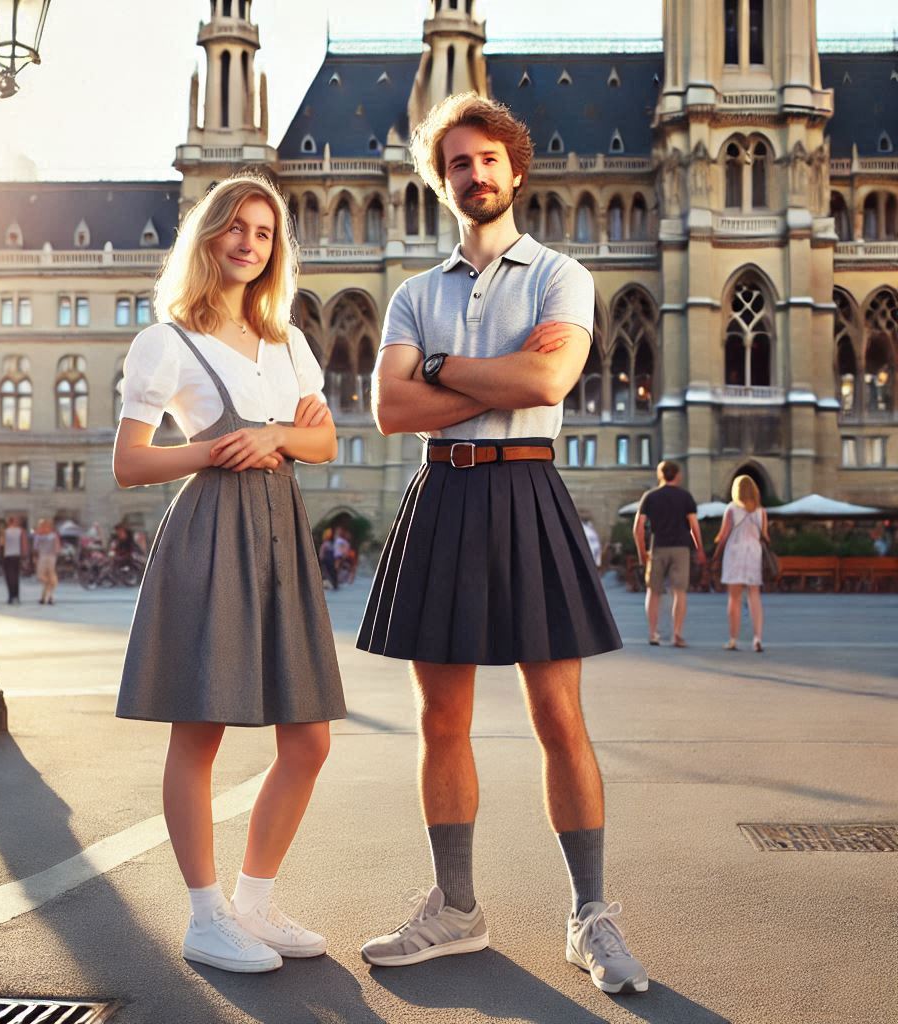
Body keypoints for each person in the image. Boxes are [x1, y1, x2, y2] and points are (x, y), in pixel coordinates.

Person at [356, 94, 646, 995]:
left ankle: (591, 915)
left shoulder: (561, 275)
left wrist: (437, 368)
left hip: (527, 486)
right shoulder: (412, 291)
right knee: (440, 718)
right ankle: (456, 910)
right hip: (442, 490)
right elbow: (389, 410)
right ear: (441, 183)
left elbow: (549, 374)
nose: (473, 175)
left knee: (559, 716)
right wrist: (485, 380)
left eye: (487, 160)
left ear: (515, 170)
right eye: (456, 164)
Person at [113, 174, 346, 975]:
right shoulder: (166, 341)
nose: (250, 243)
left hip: (281, 535)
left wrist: (277, 432)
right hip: (212, 533)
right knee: (201, 727)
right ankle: (205, 916)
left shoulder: (287, 340)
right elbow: (130, 463)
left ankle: (254, 903)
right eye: (236, 229)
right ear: (207, 236)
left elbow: (326, 443)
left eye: (264, 232)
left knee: (309, 738)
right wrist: (215, 448)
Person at [632, 460, 705, 647]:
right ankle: (677, 634)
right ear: (678, 475)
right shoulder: (685, 497)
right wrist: (700, 549)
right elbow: (694, 527)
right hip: (681, 549)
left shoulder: (650, 496)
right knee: (679, 592)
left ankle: (652, 634)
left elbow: (638, 528)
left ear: (660, 475)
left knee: (653, 591)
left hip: (658, 548)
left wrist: (642, 553)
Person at [712, 474, 768, 652]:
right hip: (753, 553)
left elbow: (723, 536)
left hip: (735, 552)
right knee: (754, 596)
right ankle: (757, 638)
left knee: (734, 598)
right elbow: (765, 536)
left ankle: (733, 639)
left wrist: (715, 556)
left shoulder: (732, 509)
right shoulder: (761, 511)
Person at [33, 518, 60, 605]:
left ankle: (48, 597)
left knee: (50, 575)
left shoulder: (53, 535)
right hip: (42, 556)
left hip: (51, 557)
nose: (43, 527)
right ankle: (47, 595)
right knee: (41, 575)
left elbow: (57, 547)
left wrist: (55, 553)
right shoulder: (38, 536)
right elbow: (35, 548)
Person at [2, 516, 27, 604]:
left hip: (7, 555)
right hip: (16, 555)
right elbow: (24, 545)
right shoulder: (21, 531)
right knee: (16, 577)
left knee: (9, 577)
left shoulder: (5, 531)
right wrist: (24, 556)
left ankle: (10, 596)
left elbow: (2, 543)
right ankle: (16, 596)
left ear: (9, 522)